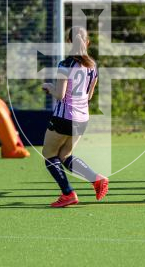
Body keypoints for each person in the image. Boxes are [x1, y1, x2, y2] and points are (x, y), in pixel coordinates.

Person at [40, 26, 108, 208]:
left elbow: (60, 95)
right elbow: (90, 95)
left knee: (49, 155)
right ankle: (97, 179)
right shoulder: (93, 66)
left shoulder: (65, 65)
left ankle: (68, 193)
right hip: (82, 119)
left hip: (63, 118)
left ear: (69, 42)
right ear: (87, 42)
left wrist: (48, 87)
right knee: (65, 155)